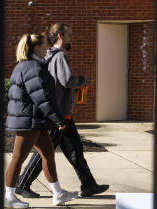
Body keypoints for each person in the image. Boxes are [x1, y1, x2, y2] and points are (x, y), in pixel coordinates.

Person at [15, 23, 109, 199]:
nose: (71, 38)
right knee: (44, 152)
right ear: (60, 36)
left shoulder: (49, 56)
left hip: (62, 113)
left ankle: (88, 185)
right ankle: (22, 183)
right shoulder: (59, 57)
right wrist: (82, 81)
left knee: (75, 149)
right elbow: (66, 81)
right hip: (57, 115)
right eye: (69, 35)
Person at [4, 32, 79, 209]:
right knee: (18, 157)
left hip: (34, 120)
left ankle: (58, 194)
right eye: (45, 45)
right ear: (36, 48)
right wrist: (58, 119)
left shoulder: (25, 65)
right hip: (28, 120)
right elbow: (42, 98)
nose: (48, 48)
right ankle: (8, 197)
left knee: (48, 154)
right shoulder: (33, 68)